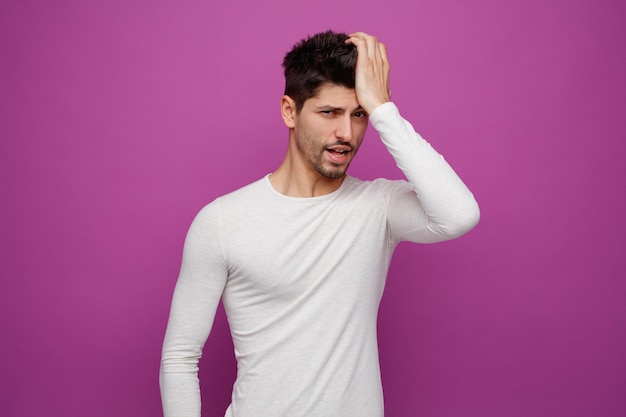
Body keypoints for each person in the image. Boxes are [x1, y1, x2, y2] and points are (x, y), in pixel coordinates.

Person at [160, 30, 480, 417]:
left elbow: (458, 215)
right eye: (329, 112)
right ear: (289, 111)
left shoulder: (379, 206)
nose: (346, 133)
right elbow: (180, 357)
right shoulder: (223, 221)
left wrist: (383, 110)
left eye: (358, 114)